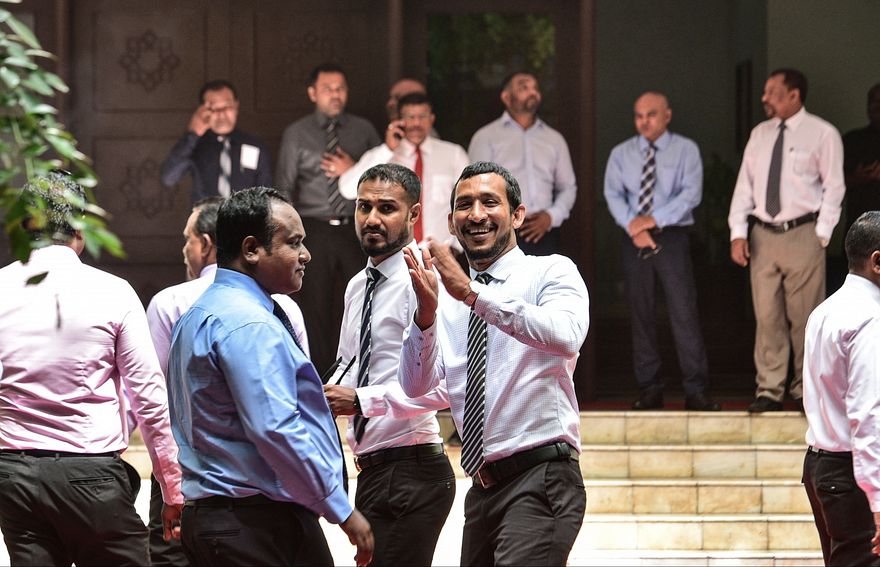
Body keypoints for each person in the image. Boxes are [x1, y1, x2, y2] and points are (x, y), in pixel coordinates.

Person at [167, 187, 372, 567]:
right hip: (254, 522)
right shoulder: (248, 323)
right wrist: (341, 508)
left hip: (221, 518)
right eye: (293, 243)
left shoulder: (199, 313)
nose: (306, 255)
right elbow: (275, 427)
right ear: (251, 249)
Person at [400, 161, 589, 565]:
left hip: (541, 476)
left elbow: (567, 334)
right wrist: (426, 317)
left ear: (517, 215)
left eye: (490, 202)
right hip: (482, 489)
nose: (476, 214)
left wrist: (473, 294)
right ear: (451, 223)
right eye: (464, 205)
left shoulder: (550, 271)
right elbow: (417, 387)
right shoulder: (445, 298)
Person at [0, 172, 183, 566]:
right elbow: (149, 399)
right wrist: (172, 488)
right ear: (79, 226)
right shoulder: (112, 291)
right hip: (90, 475)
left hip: (14, 475)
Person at [144, 195, 308, 566]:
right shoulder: (285, 308)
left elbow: (157, 401)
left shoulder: (172, 303)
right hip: (270, 490)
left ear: (206, 243)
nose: (184, 250)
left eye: (187, 239)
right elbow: (297, 405)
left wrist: (170, 486)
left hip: (189, 475)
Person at [324, 163, 455, 565]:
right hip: (372, 468)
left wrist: (361, 400)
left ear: (413, 214)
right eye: (364, 207)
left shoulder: (427, 279)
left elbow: (446, 386)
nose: (371, 219)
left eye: (386, 208)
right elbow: (349, 362)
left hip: (413, 466)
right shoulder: (357, 285)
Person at [728, 68, 846, 413]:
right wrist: (738, 233)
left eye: (772, 91)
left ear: (794, 95)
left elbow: (834, 186)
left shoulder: (822, 133)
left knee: (805, 317)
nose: (764, 98)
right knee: (767, 316)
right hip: (763, 234)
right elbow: (745, 186)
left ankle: (805, 389)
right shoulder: (760, 134)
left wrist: (822, 234)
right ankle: (769, 389)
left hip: (803, 232)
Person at [604, 92, 719, 411]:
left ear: (667, 115)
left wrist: (653, 220)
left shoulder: (685, 149)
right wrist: (634, 226)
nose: (644, 121)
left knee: (684, 312)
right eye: (638, 115)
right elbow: (613, 194)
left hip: (672, 237)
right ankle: (649, 389)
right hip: (634, 238)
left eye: (651, 114)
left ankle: (696, 389)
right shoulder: (621, 153)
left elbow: (691, 194)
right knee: (640, 313)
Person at [276, 63, 381, 374]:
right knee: (315, 304)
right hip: (313, 227)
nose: (335, 95)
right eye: (327, 89)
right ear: (313, 93)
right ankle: (320, 374)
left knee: (364, 298)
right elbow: (284, 187)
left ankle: (362, 368)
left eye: (340, 88)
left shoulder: (363, 129)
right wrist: (290, 237)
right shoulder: (297, 133)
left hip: (356, 228)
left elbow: (382, 176)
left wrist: (354, 168)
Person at [802, 211, 880, 566]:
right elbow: (868, 414)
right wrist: (877, 499)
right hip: (851, 474)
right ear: (877, 261)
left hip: (820, 466)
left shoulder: (824, 310)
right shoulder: (870, 317)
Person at [468, 72, 577, 256]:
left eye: (535, 88)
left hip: (544, 231)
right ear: (506, 97)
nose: (532, 92)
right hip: (500, 231)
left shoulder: (554, 139)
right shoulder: (486, 137)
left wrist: (551, 216)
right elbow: (475, 187)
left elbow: (567, 187)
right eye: (524, 87)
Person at [338, 92, 470, 246]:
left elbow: (469, 200)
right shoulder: (385, 155)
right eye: (410, 117)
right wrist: (387, 150)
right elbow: (347, 189)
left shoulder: (454, 154)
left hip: (441, 252)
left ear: (432, 119)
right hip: (393, 251)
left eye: (422, 116)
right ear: (398, 120)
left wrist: (457, 247)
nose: (416, 123)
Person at [160, 80, 272, 202]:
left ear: (236, 106)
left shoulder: (254, 146)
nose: (221, 114)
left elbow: (265, 195)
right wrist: (193, 134)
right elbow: (169, 178)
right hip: (204, 214)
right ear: (202, 110)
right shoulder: (195, 145)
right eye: (213, 108)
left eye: (227, 106)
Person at [843, 83, 880, 229]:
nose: (877, 106)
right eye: (873, 101)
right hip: (860, 226)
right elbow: (832, 185)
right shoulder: (852, 140)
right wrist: (859, 178)